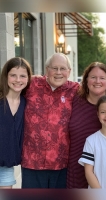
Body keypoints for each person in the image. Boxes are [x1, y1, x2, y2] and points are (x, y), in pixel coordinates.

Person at [67, 62, 106, 188]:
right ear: (86, 80)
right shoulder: (75, 100)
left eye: (102, 78)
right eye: (93, 77)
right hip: (76, 172)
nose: (97, 81)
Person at [21, 53, 79, 188]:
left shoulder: (76, 90)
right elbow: (9, 86)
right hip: (32, 162)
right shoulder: (32, 84)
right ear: (47, 70)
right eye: (54, 68)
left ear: (69, 72)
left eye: (63, 68)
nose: (59, 73)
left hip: (61, 164)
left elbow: (101, 92)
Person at [0, 57, 32, 188]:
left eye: (23, 76)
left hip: (6, 166)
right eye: (13, 75)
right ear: (5, 76)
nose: (18, 80)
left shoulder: (26, 103)